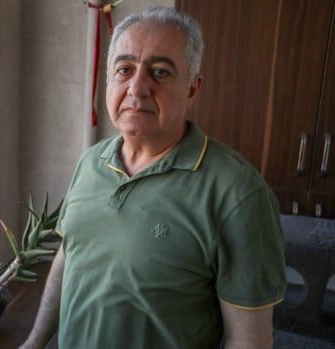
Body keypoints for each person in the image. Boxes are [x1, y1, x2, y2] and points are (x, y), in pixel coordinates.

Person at [20, 6, 286, 349]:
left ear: (192, 88)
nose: (137, 87)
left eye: (160, 72)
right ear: (109, 81)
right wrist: (34, 342)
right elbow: (68, 257)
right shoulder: (90, 163)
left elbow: (249, 338)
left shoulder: (238, 193)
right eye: (124, 69)